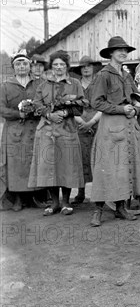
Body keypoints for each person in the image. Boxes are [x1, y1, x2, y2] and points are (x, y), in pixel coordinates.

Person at [88, 36, 140, 226]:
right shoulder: (104, 75)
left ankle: (121, 208)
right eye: (119, 50)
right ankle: (98, 210)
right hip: (111, 126)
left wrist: (135, 109)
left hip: (129, 126)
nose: (123, 53)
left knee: (125, 168)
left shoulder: (127, 75)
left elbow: (138, 99)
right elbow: (96, 102)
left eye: (125, 50)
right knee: (106, 168)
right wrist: (121, 109)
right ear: (111, 53)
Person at [28, 50, 87, 217]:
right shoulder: (44, 85)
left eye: (62, 64)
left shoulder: (74, 83)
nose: (59, 68)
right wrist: (49, 114)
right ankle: (54, 202)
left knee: (66, 165)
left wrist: (66, 113)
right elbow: (36, 104)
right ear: (51, 67)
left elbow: (81, 106)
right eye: (55, 65)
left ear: (67, 66)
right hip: (46, 131)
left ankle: (66, 202)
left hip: (67, 130)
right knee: (49, 166)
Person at [0, 53, 43, 211]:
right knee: (16, 165)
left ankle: (34, 197)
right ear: (13, 68)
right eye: (18, 64)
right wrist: (19, 114)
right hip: (15, 132)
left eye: (24, 63)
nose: (22, 67)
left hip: (35, 130)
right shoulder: (6, 86)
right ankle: (17, 199)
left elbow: (46, 102)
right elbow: (1, 108)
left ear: (30, 66)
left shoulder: (38, 83)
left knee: (34, 162)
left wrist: (37, 110)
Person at [70, 56, 103, 204]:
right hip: (79, 123)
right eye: (83, 67)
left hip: (98, 121)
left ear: (93, 68)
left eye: (89, 66)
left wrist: (92, 121)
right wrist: (81, 121)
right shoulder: (75, 85)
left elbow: (105, 104)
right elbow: (69, 107)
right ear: (79, 70)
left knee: (99, 157)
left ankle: (100, 193)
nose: (86, 69)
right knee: (80, 157)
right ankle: (81, 192)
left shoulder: (100, 84)